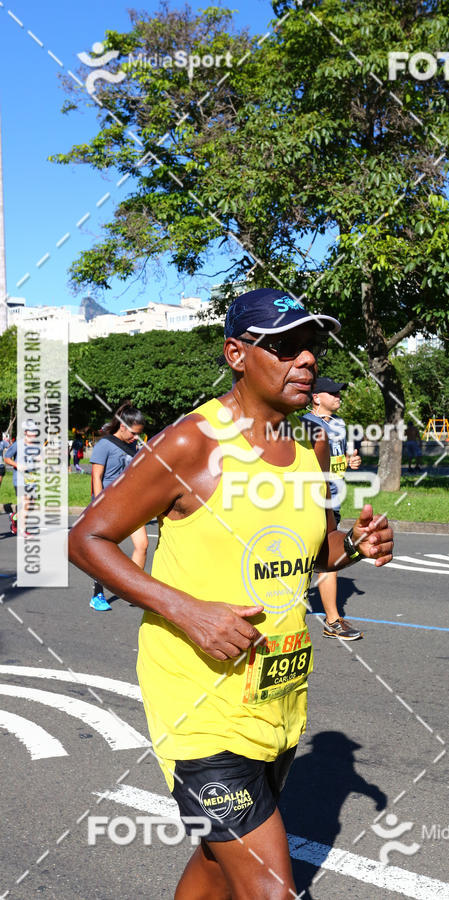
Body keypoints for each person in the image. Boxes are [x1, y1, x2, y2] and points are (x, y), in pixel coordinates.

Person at [69, 287, 394, 900]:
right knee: (271, 889)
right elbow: (88, 538)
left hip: (275, 697)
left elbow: (313, 555)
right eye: (285, 346)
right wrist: (187, 610)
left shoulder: (308, 453)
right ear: (236, 354)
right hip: (197, 703)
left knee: (218, 864)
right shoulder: (194, 443)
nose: (306, 361)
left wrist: (357, 546)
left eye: (311, 347)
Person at [302, 377, 364, 641]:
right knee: (307, 560)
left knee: (328, 559)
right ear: (316, 397)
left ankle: (332, 621)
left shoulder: (339, 424)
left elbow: (337, 459)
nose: (339, 397)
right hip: (309, 502)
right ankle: (329, 619)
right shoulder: (304, 425)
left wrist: (350, 461)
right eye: (333, 393)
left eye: (339, 393)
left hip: (333, 500)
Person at [88, 404, 147, 611]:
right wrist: (99, 504)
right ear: (122, 426)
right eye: (133, 433)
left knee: (142, 545)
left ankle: (131, 590)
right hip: (108, 504)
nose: (135, 437)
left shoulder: (133, 446)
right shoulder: (104, 444)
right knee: (106, 551)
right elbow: (97, 475)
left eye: (139, 434)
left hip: (129, 503)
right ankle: (97, 594)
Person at [3, 422, 38, 536]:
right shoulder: (18, 444)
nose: (33, 434)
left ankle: (15, 517)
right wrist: (18, 465)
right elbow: (6, 458)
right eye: (31, 431)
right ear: (25, 432)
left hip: (32, 479)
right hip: (19, 479)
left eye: (34, 431)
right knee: (26, 503)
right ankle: (23, 531)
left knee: (31, 505)